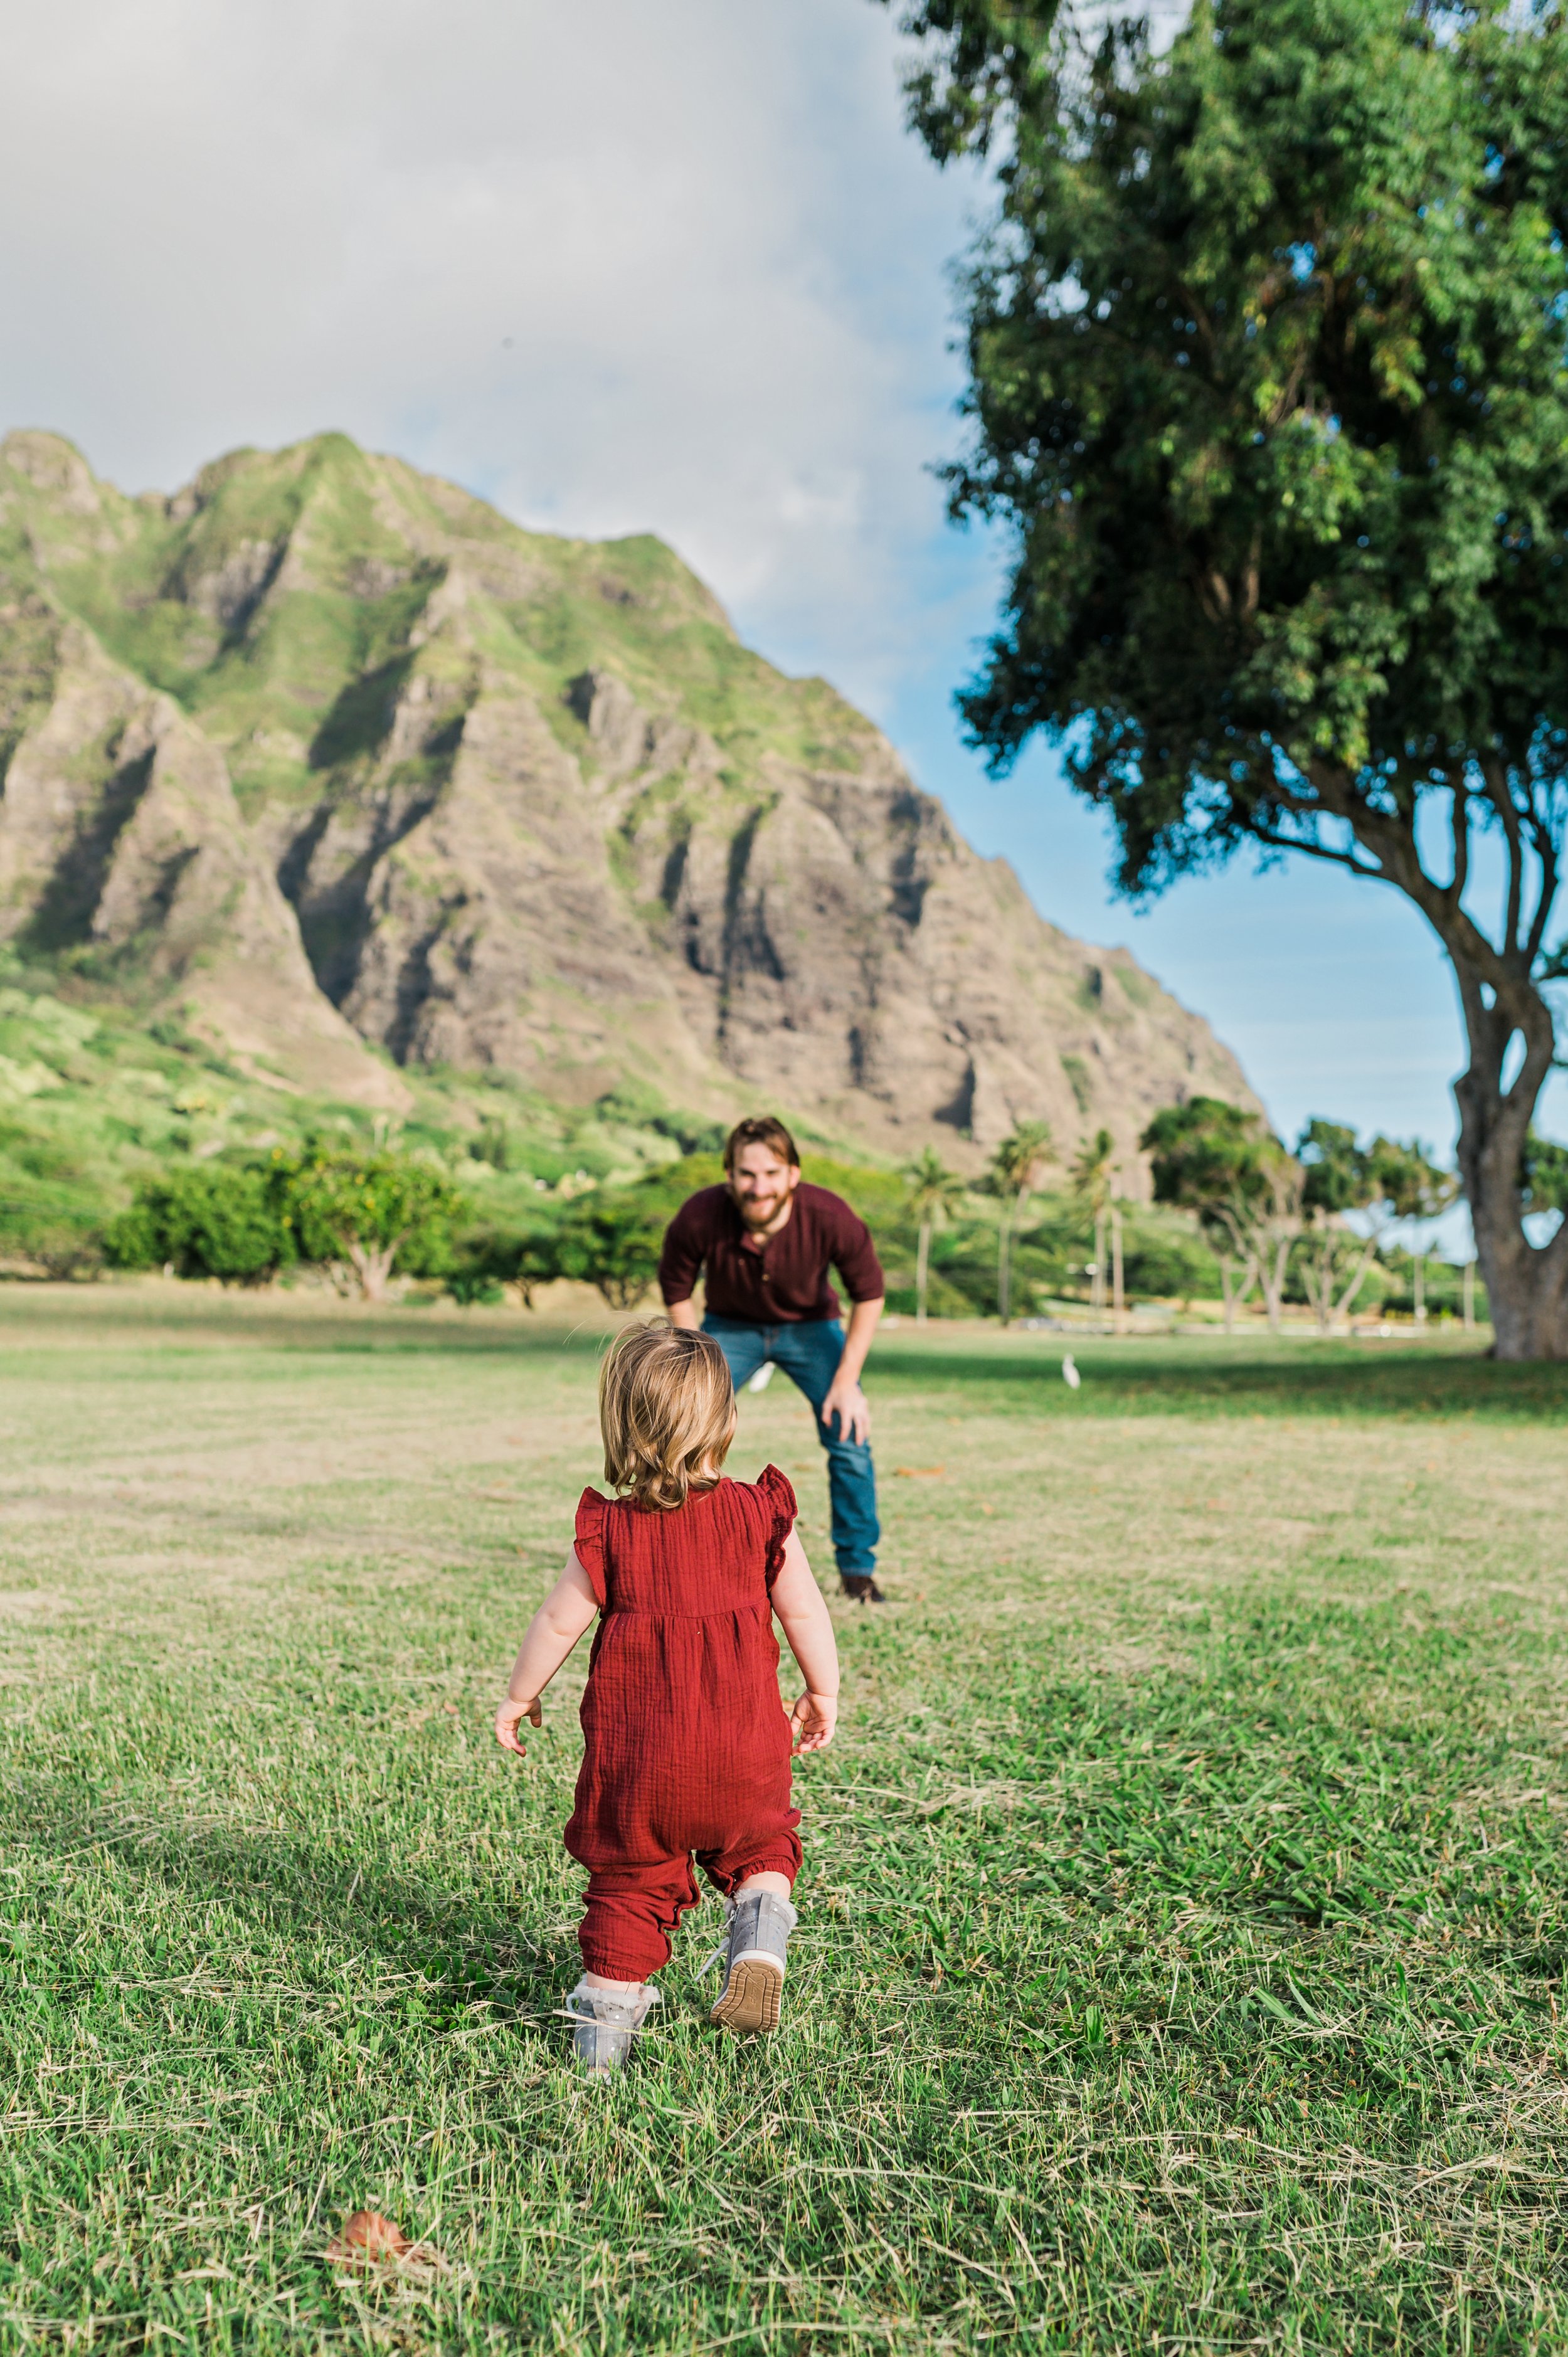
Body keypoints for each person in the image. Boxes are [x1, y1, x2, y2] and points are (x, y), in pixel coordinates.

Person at [494, 1320, 840, 2074]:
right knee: (761, 1846)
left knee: (628, 1884)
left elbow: (558, 1620)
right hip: (745, 1753)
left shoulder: (611, 1529)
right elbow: (806, 1608)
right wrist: (822, 1688)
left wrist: (520, 1696)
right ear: (728, 1419)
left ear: (621, 1424)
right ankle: (758, 1930)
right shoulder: (758, 1513)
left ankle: (602, 2046)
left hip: (640, 1767)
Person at [659, 1116, 888, 1602]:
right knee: (682, 1426)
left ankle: (857, 1571)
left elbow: (869, 1293)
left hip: (812, 1328)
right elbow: (677, 1286)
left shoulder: (830, 1216)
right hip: (729, 1327)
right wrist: (695, 1367)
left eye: (770, 1173)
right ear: (729, 1176)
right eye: (746, 1174)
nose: (758, 1186)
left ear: (793, 1175)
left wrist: (847, 1380)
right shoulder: (700, 1215)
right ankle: (671, 1552)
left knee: (849, 1435)